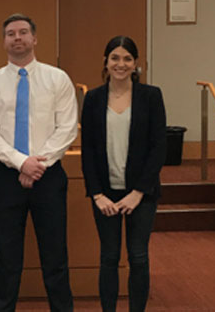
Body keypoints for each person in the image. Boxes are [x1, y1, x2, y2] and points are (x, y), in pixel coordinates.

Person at [0, 13, 77, 312]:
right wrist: (22, 163)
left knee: (55, 256)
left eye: (23, 32)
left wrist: (37, 165)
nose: (17, 38)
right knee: (7, 257)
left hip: (50, 177)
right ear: (4, 41)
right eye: (10, 33)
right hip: (7, 178)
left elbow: (67, 128)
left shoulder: (57, 79)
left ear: (35, 38)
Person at [80, 35, 166, 312]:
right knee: (108, 257)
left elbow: (158, 147)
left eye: (127, 58)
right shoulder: (93, 98)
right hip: (105, 193)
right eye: (115, 58)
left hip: (140, 194)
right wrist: (96, 194)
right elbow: (89, 150)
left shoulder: (151, 96)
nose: (121, 64)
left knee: (139, 257)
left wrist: (139, 192)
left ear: (135, 63)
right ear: (105, 62)